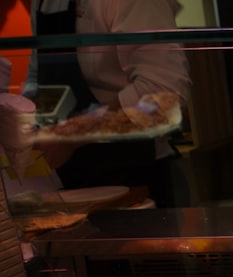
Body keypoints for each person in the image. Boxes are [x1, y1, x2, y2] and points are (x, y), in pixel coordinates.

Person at [28, 0, 192, 206]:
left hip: (135, 176)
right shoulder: (43, 2)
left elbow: (165, 96)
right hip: (67, 182)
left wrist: (71, 134)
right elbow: (37, 77)